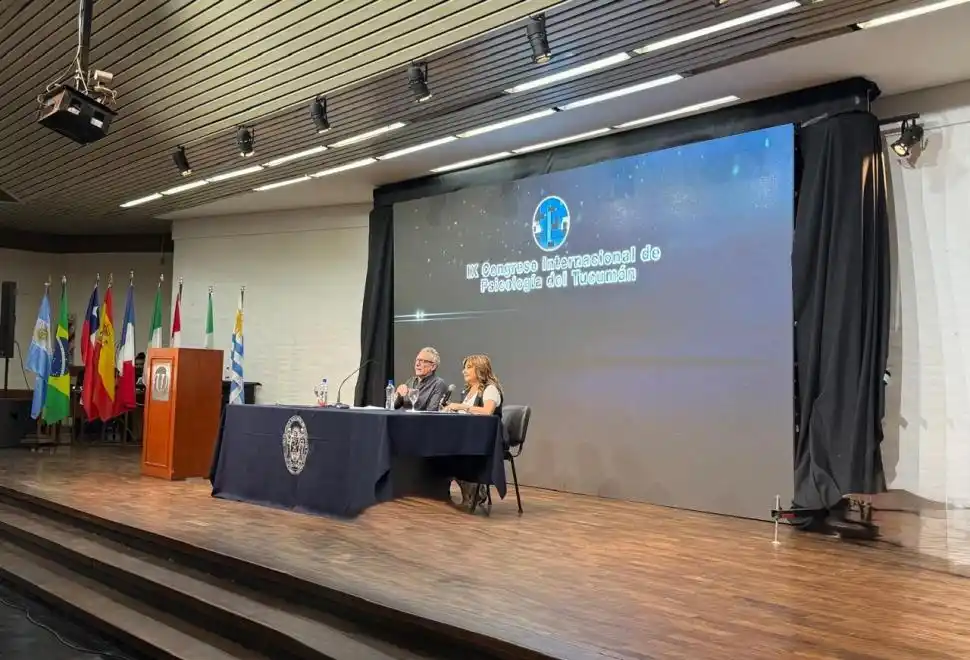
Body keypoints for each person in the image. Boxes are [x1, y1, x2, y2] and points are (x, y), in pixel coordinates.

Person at [445, 354, 504, 509]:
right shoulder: (468, 391)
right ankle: (471, 491)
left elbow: (487, 411)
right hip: (470, 436)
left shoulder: (490, 389)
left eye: (469, 367)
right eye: (464, 368)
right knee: (442, 449)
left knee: (452, 451)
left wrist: (462, 407)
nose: (464, 371)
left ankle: (474, 492)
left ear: (480, 369)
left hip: (487, 438)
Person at [395, 347, 448, 411]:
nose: (417, 364)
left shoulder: (438, 384)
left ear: (433, 366)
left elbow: (432, 410)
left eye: (423, 361)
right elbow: (395, 406)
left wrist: (413, 395)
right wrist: (399, 395)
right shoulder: (411, 381)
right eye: (417, 360)